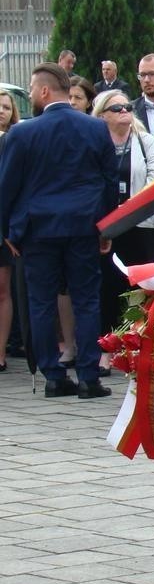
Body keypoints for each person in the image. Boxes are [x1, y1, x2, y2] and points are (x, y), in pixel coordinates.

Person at [0, 62, 117, 398]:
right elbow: (109, 180)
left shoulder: (22, 133)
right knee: (86, 299)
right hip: (83, 226)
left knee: (41, 302)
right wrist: (106, 225)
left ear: (44, 91)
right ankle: (88, 377)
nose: (32, 94)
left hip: (37, 230)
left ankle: (53, 376)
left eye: (33, 89)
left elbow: (7, 186)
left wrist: (7, 230)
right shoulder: (95, 129)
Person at [93, 90, 154, 372]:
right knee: (109, 288)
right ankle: (107, 348)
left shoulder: (146, 141)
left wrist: (130, 210)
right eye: (116, 108)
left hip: (143, 224)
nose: (124, 111)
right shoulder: (97, 144)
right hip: (109, 226)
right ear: (101, 115)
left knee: (140, 288)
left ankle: (138, 347)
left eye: (127, 106)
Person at [58, 75, 99, 369]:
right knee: (62, 291)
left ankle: (89, 359)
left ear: (88, 102)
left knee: (86, 295)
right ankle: (69, 349)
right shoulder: (48, 129)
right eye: (69, 96)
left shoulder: (95, 130)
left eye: (78, 98)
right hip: (54, 226)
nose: (72, 102)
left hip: (88, 225)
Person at [0, 89, 20, 372]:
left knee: (3, 290)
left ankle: (1, 352)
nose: (1, 111)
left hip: (3, 222)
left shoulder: (15, 140)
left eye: (5, 106)